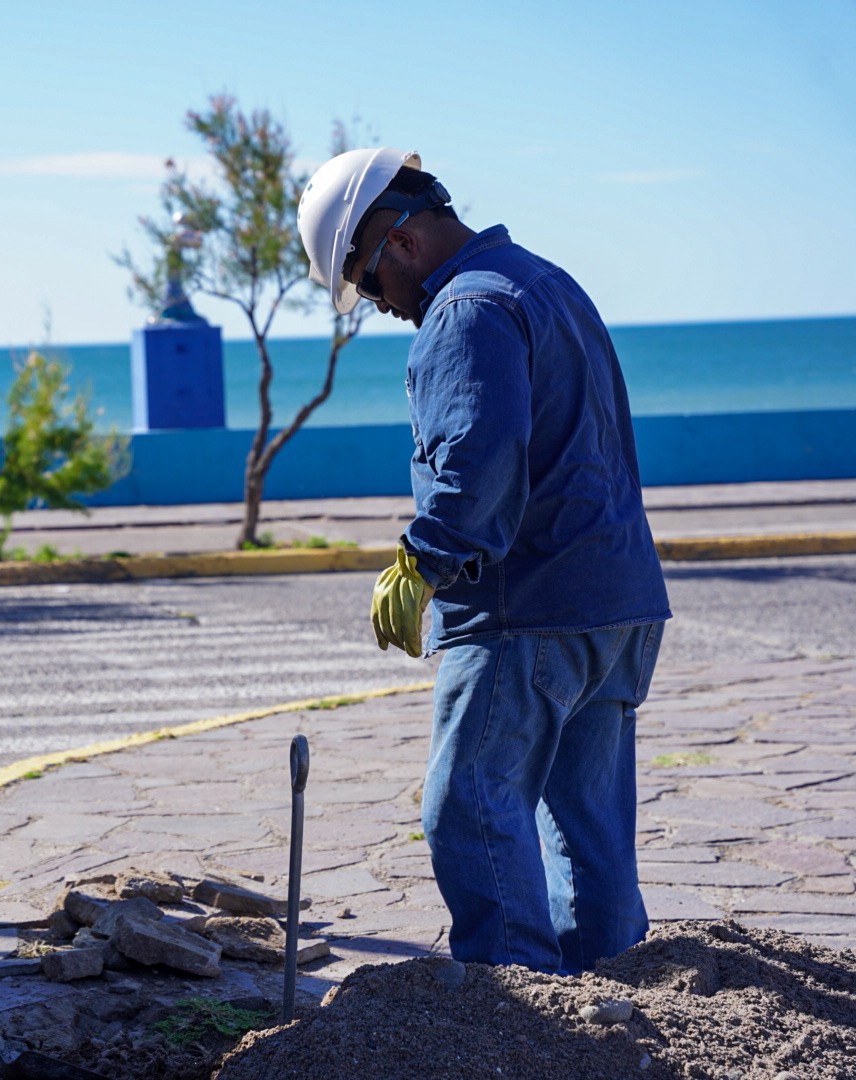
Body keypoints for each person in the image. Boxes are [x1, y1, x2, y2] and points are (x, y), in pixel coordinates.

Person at [297, 149, 671, 976]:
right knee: (584, 826)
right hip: (615, 601)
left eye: (365, 283)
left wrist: (422, 559)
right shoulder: (544, 281)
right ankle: (617, 1002)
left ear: (397, 240)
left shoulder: (464, 310)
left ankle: (522, 1017)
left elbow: (479, 453)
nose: (378, 305)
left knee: (467, 806)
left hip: (526, 610)